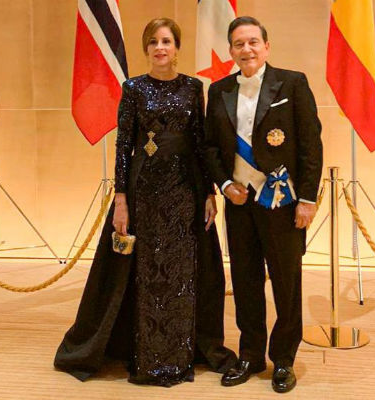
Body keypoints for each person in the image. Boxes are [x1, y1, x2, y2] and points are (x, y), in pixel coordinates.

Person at [54, 17, 236, 387]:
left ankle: (181, 350)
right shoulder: (133, 88)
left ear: (177, 47)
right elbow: (123, 146)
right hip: (143, 192)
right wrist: (120, 199)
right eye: (152, 41)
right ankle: (148, 352)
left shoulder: (192, 89)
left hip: (184, 191)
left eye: (166, 40)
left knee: (182, 273)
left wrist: (208, 194)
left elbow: (200, 145)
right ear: (146, 49)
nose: (160, 48)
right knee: (146, 272)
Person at [203, 16, 323, 394]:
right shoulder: (218, 90)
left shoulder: (292, 83)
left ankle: (284, 359)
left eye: (254, 42)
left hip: (282, 202)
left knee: (287, 283)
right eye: (239, 44)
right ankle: (251, 354)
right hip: (240, 202)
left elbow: (310, 144)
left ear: (266, 47)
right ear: (231, 51)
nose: (247, 49)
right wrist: (223, 184)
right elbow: (209, 146)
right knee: (246, 281)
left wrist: (306, 198)